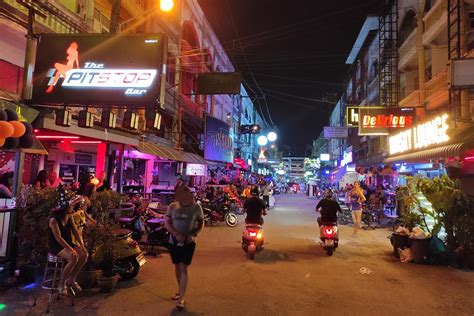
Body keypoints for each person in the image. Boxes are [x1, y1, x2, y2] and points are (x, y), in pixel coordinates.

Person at [164, 186, 204, 309]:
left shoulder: (196, 207)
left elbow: (201, 223)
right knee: (177, 266)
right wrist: (175, 234)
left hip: (189, 243)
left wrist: (193, 234)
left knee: (183, 267)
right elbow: (167, 223)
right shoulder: (172, 206)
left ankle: (181, 299)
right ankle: (180, 291)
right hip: (174, 242)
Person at [48, 192, 88, 295]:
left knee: (84, 255)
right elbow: (58, 238)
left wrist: (82, 245)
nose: (72, 208)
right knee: (73, 257)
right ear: (64, 208)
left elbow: (75, 231)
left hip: (68, 243)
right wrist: (71, 249)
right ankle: (61, 284)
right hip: (56, 246)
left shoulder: (69, 216)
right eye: (70, 206)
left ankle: (71, 279)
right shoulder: (54, 220)